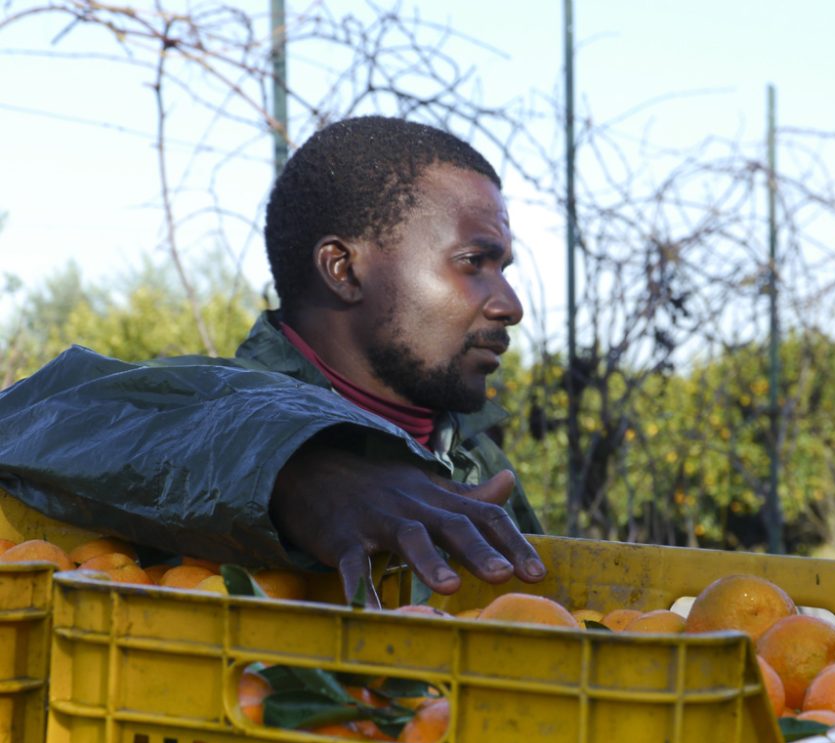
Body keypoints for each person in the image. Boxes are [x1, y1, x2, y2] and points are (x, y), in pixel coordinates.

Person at [0, 116, 547, 605]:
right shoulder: (206, 411)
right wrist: (291, 465)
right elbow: (31, 417)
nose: (510, 305)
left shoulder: (481, 469)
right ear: (345, 270)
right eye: (473, 262)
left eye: (504, 268)